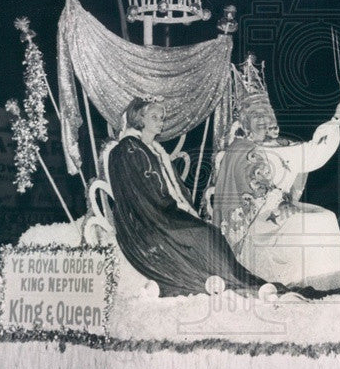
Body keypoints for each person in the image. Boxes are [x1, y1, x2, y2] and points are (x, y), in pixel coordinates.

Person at [105, 97, 269, 297]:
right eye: (154, 117)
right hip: (147, 220)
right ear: (140, 118)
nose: (160, 121)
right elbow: (139, 193)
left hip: (164, 212)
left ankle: (231, 280)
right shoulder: (128, 149)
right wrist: (171, 210)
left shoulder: (155, 150)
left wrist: (180, 209)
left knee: (211, 233)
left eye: (162, 117)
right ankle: (225, 281)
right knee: (203, 234)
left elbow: (174, 189)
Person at [212, 55, 340, 290]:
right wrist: (280, 202)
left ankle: (325, 289)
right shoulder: (239, 149)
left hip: (281, 212)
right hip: (256, 223)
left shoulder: (284, 146)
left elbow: (314, 153)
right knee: (305, 225)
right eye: (256, 116)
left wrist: (336, 119)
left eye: (266, 115)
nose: (263, 121)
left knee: (325, 218)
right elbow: (251, 185)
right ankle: (296, 284)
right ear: (245, 122)